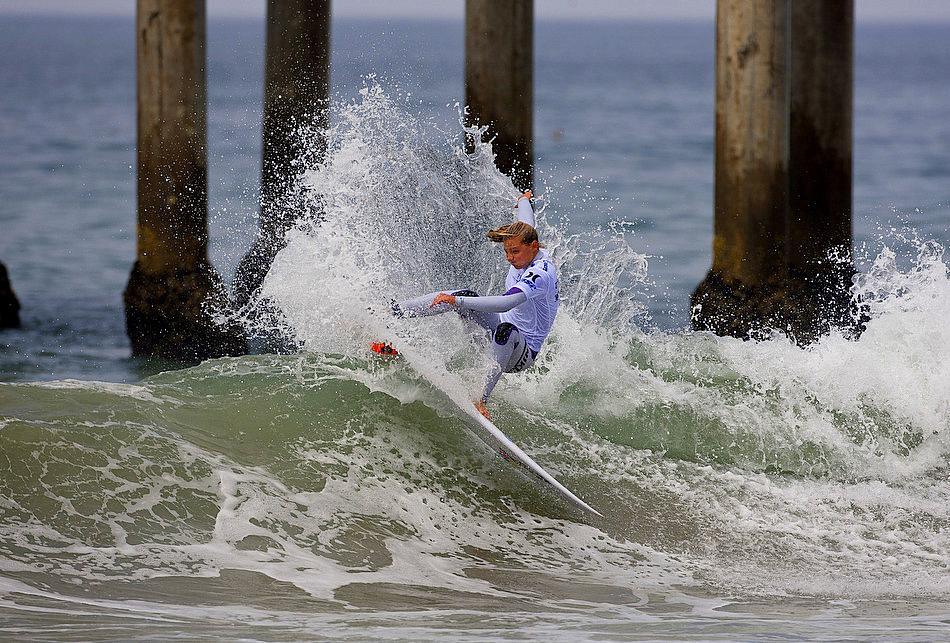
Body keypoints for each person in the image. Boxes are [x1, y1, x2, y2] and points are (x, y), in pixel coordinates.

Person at [392, 191, 559, 419]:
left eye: (515, 251)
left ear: (534, 246)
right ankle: (393, 312)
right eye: (506, 251)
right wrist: (523, 200)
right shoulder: (526, 239)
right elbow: (526, 220)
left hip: (520, 353)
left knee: (502, 328)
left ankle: (480, 400)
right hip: (497, 330)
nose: (509, 257)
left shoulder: (541, 273)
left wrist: (457, 301)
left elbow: (507, 302)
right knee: (466, 295)